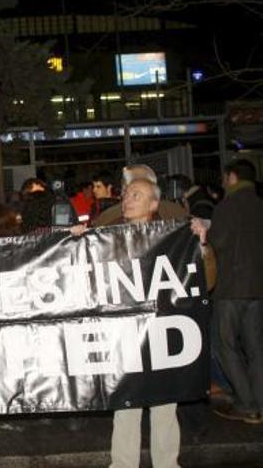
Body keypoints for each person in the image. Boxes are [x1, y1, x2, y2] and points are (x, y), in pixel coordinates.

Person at [75, 178, 180, 468]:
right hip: (126, 337)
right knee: (126, 405)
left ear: (154, 204)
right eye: (126, 194)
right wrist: (74, 242)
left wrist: (202, 245)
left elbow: (203, 276)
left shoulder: (174, 237)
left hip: (162, 335)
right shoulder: (109, 236)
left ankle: (167, 464)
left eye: (137, 194)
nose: (128, 199)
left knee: (164, 405)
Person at [190, 159, 263, 424]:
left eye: (224, 178)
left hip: (231, 288)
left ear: (231, 177)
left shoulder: (227, 206)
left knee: (226, 346)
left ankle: (246, 403)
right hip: (258, 288)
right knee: (255, 348)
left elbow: (217, 241)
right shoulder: (259, 204)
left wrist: (205, 233)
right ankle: (259, 402)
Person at [92, 165, 188, 227]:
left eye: (136, 195)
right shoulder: (175, 211)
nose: (128, 201)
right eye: (126, 195)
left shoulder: (174, 215)